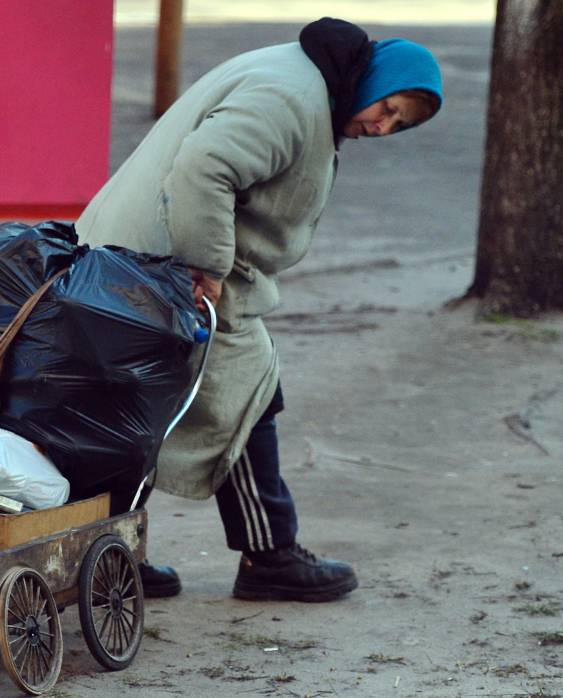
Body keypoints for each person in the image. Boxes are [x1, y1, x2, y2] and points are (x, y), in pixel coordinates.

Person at [75, 18, 442, 602]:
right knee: (245, 393)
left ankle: (109, 554)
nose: (382, 125)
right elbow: (206, 167)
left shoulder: (304, 81)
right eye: (389, 107)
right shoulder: (293, 98)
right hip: (165, 266)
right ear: (374, 76)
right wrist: (208, 265)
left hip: (136, 257)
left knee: (141, 406)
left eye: (398, 125)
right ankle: (269, 555)